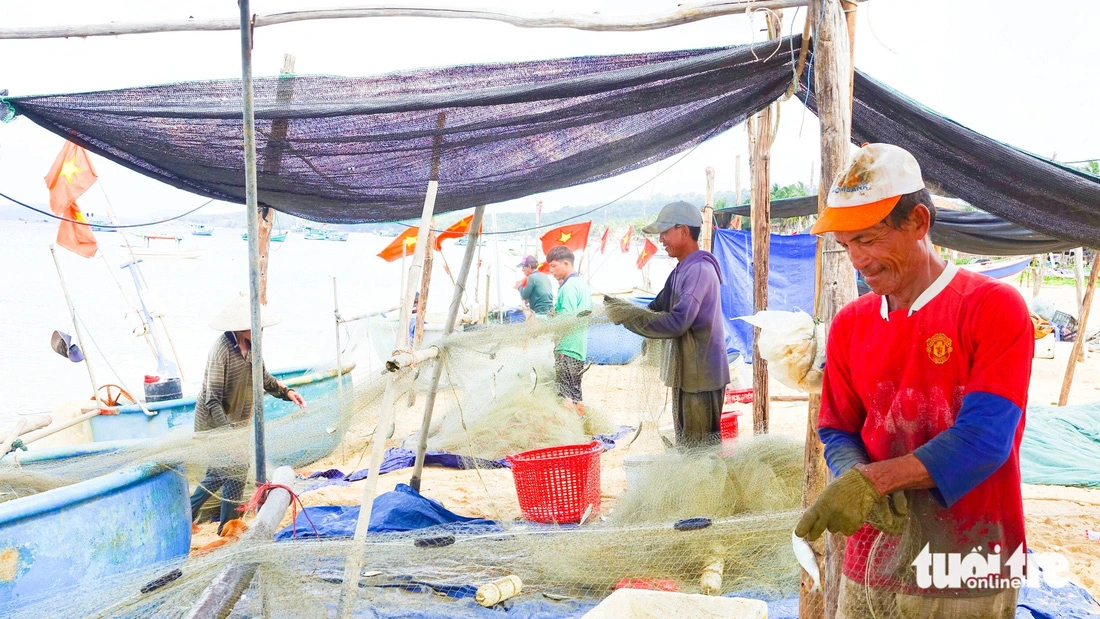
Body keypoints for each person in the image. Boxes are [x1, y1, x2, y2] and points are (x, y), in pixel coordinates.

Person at [795, 143, 1032, 618]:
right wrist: (853, 479)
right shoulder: (850, 324)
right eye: (846, 246)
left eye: (867, 239)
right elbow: (837, 428)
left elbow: (986, 439)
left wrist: (875, 481)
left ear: (919, 222)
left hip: (968, 556)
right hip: (872, 555)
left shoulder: (992, 307)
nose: (857, 260)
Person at [604, 201, 729, 448]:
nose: (661, 239)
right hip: (686, 376)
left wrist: (629, 318)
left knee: (700, 452)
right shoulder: (681, 271)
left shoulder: (700, 270)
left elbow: (676, 323)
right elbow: (655, 307)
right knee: (686, 446)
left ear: (683, 231)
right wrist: (617, 308)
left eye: (664, 232)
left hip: (701, 377)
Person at [190, 294, 306, 534]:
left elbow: (263, 378)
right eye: (256, 325)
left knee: (234, 470)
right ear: (241, 326)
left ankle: (226, 527)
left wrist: (287, 392)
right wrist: (229, 439)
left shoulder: (253, 347)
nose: (260, 329)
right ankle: (189, 518)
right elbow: (212, 399)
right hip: (214, 424)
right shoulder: (221, 350)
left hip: (237, 423)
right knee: (223, 471)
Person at [546, 245, 592, 413]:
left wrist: (546, 323)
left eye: (553, 265)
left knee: (564, 395)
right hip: (579, 348)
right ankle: (581, 429)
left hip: (566, 347)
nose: (551, 270)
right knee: (576, 394)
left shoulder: (568, 287)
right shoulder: (582, 284)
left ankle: (569, 432)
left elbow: (565, 319)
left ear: (566, 263)